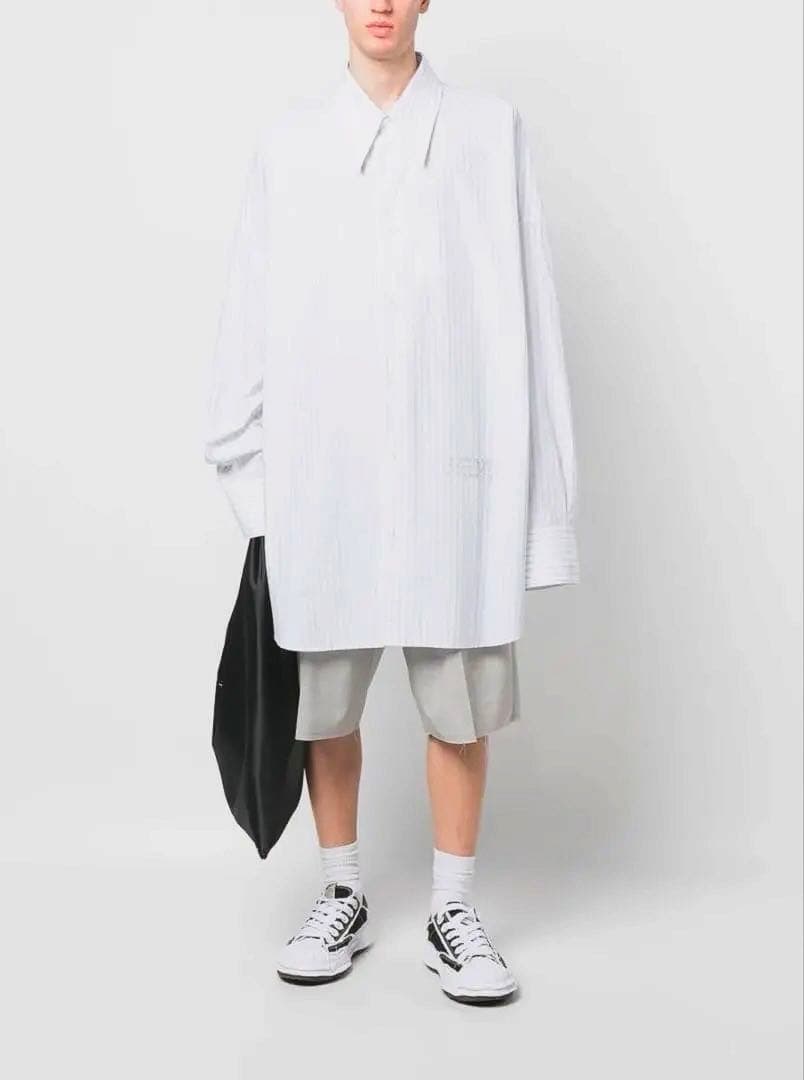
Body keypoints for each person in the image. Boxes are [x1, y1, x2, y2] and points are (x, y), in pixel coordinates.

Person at [204, 0, 579, 1005]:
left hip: (459, 477)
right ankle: (343, 891)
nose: (380, 2)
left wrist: (541, 515)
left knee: (461, 706)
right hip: (325, 479)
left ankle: (454, 909)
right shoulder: (290, 147)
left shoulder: (489, 133)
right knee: (325, 704)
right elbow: (247, 318)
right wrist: (255, 489)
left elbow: (532, 318)